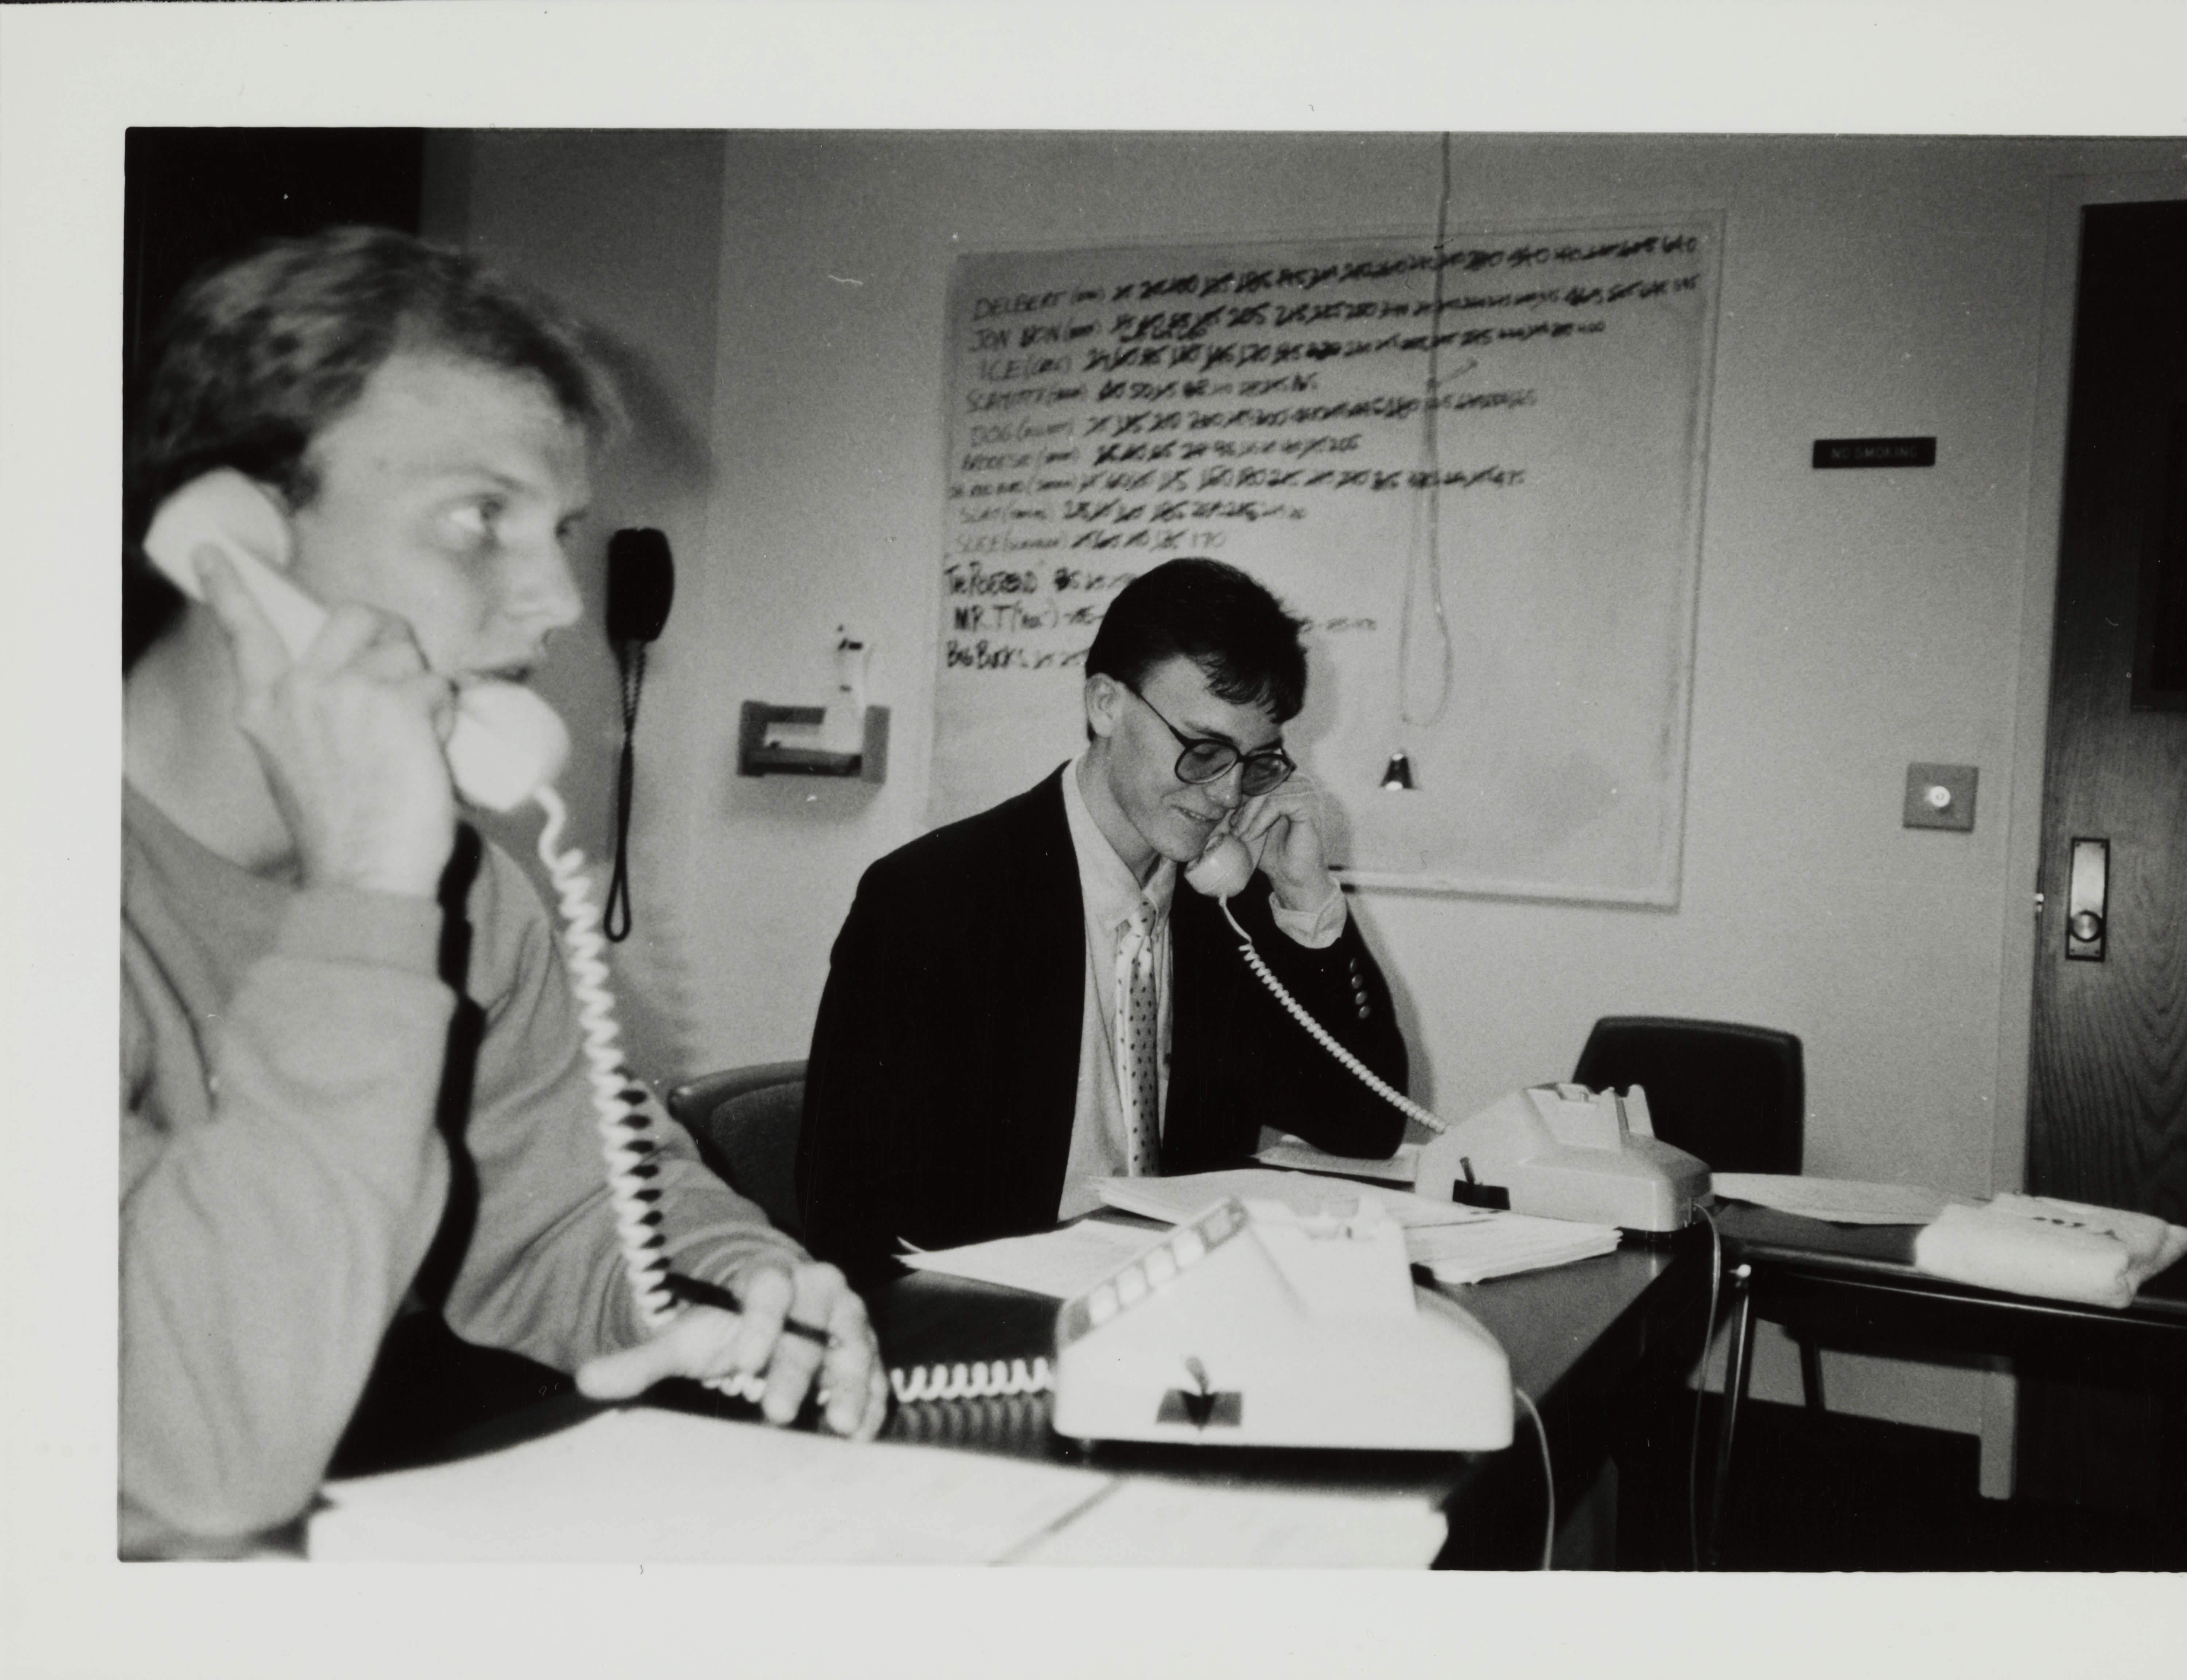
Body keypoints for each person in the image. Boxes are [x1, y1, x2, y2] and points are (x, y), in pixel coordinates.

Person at [119, 227, 885, 1557]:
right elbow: (188, 1447)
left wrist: (733, 1284)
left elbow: (573, 1196)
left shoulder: (463, 894)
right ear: (229, 543)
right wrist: (367, 892)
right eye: (481, 518)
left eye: (561, 533)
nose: (550, 607)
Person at [797, 559, 1410, 1279]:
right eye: (1203, 749)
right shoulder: (935, 902)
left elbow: (1365, 1126)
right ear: (1105, 705)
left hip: (1180, 1305)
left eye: (1255, 763)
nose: (1223, 793)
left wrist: (1309, 903)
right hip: (995, 1323)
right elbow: (847, 1212)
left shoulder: (1228, 908)